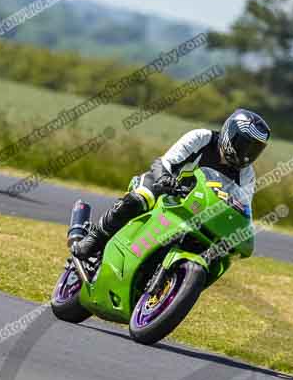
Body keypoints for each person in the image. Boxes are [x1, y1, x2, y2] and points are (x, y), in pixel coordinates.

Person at [71, 109, 271, 269]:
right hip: (164, 189)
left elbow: (242, 207)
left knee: (217, 249)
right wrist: (165, 179)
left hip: (196, 211)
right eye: (245, 145)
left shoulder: (247, 174)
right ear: (230, 134)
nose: (247, 154)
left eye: (254, 150)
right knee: (143, 197)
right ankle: (95, 238)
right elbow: (163, 163)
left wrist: (242, 232)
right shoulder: (201, 138)